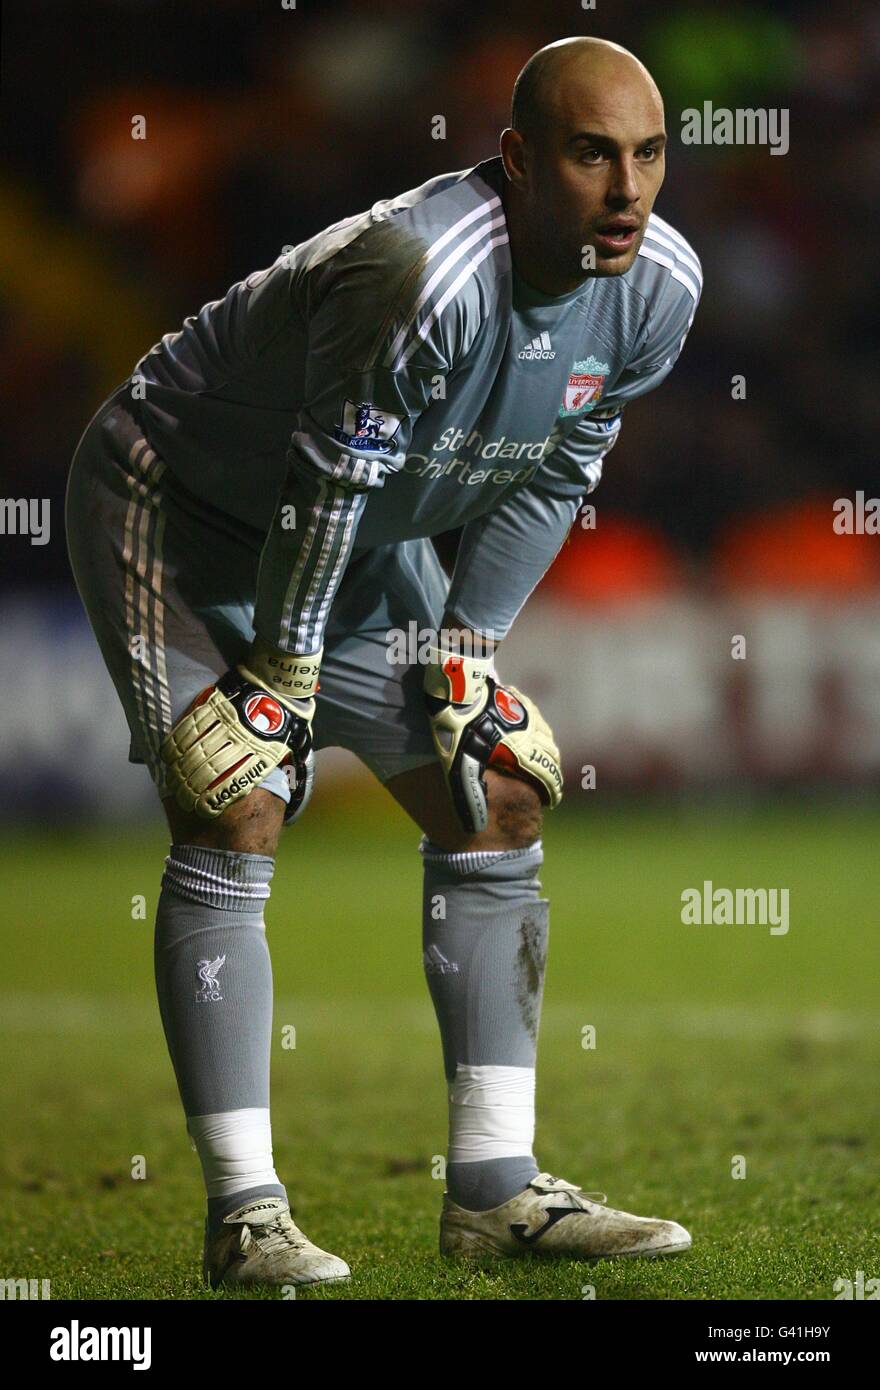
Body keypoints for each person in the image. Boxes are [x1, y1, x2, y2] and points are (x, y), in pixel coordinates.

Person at [66, 36, 701, 1287]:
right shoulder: (421, 269)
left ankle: (496, 1192)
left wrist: (466, 654)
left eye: (648, 155)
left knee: (495, 786)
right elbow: (324, 483)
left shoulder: (662, 286)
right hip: (180, 507)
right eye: (590, 155)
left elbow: (557, 468)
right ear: (517, 159)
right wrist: (282, 683)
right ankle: (246, 1216)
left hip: (354, 541)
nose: (627, 191)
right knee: (237, 793)